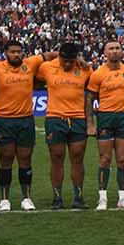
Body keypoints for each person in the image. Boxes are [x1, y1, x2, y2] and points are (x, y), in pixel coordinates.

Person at [0, 41, 55, 211]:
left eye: (19, 52)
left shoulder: (30, 63)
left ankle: (26, 198)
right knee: (6, 159)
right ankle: (4, 200)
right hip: (3, 120)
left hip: (26, 119)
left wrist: (77, 59)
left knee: (25, 159)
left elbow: (53, 54)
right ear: (5, 53)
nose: (16, 55)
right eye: (12, 52)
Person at [86, 41, 124, 210]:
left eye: (117, 48)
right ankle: (102, 198)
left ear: (122, 52)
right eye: (111, 49)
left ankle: (122, 199)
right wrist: (90, 123)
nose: (115, 51)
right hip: (105, 118)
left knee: (122, 160)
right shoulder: (98, 74)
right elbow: (89, 99)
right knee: (105, 159)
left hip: (123, 117)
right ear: (105, 53)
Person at [38, 41, 92, 209]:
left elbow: (93, 90)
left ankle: (78, 197)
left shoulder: (85, 69)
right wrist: (55, 54)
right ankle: (57, 198)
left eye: (71, 60)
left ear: (77, 58)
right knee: (57, 158)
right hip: (55, 118)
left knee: (77, 158)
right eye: (64, 60)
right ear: (59, 56)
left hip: (78, 118)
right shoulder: (46, 67)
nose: (68, 64)